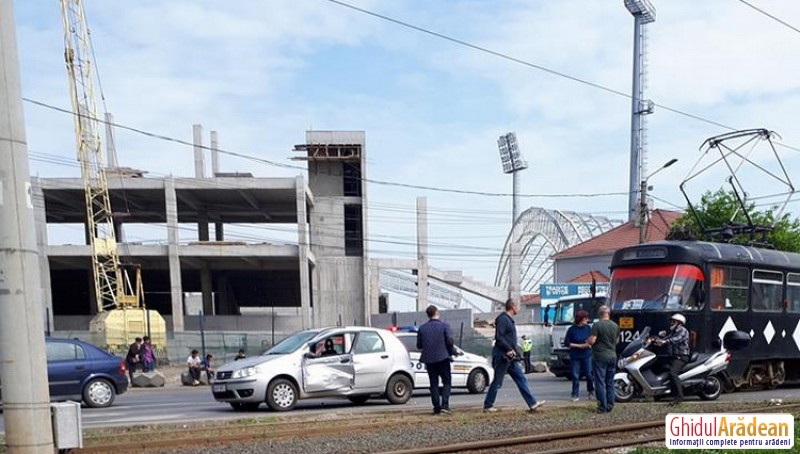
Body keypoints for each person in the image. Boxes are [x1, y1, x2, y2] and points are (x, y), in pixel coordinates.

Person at [483, 298, 545, 413]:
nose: (518, 309)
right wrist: (508, 349)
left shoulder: (508, 320)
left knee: (521, 378)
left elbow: (507, 339)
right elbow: (499, 337)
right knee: (497, 382)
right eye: (517, 306)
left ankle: (532, 403)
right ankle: (488, 405)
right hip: (503, 357)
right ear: (513, 307)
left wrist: (515, 352)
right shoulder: (503, 319)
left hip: (511, 357)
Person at [417, 305, 456, 415]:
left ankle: (436, 407)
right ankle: (445, 405)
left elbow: (419, 345)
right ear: (437, 313)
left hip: (429, 359)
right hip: (443, 358)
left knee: (433, 383)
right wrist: (451, 350)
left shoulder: (422, 328)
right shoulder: (445, 326)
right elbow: (450, 341)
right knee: (447, 381)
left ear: (428, 315)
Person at [587, 305, 620, 413]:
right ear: (608, 313)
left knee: (600, 382)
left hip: (600, 356)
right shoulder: (615, 326)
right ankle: (610, 405)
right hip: (612, 356)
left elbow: (592, 341)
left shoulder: (597, 325)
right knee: (610, 382)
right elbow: (617, 341)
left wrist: (587, 340)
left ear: (599, 314)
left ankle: (602, 406)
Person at [653, 313, 690, 405]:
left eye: (674, 322)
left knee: (673, 373)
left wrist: (665, 341)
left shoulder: (683, 331)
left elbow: (676, 339)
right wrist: (656, 340)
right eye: (671, 321)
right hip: (673, 356)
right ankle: (662, 393)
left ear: (679, 323)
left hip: (681, 356)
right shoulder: (673, 332)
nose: (671, 323)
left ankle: (679, 397)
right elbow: (667, 338)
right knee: (661, 368)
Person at [564, 310, 594, 402]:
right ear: (581, 319)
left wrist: (587, 344)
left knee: (589, 374)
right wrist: (578, 346)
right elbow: (567, 343)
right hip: (575, 355)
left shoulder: (588, 328)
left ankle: (590, 390)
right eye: (585, 318)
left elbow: (591, 340)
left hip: (587, 354)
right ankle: (575, 394)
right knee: (575, 375)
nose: (587, 320)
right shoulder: (571, 329)